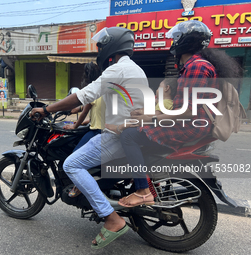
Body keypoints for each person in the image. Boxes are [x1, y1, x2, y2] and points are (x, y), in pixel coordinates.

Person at [30, 27, 149, 249]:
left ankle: (111, 218)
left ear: (111, 48)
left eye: (101, 46)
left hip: (117, 135)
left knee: (71, 164)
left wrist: (46, 109)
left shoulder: (117, 70)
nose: (99, 51)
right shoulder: (134, 69)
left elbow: (83, 96)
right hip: (127, 131)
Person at [118, 20, 243, 208]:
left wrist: (149, 118)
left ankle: (143, 190)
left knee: (128, 136)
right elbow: (178, 106)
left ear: (184, 42)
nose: (172, 42)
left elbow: (188, 111)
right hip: (188, 122)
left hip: (189, 126)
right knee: (135, 126)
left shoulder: (197, 67)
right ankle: (147, 178)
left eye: (175, 38)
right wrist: (146, 113)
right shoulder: (193, 65)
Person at [63, 62, 104, 197]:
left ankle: (79, 185)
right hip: (106, 130)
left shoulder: (93, 89)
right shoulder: (104, 87)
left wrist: (75, 126)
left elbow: (85, 111)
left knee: (74, 158)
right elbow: (97, 113)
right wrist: (82, 121)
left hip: (97, 132)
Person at [105, 77, 178, 135]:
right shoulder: (166, 102)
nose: (157, 90)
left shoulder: (165, 103)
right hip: (152, 122)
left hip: (151, 124)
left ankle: (118, 128)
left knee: (131, 123)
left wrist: (142, 114)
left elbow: (157, 115)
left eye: (159, 87)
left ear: (166, 88)